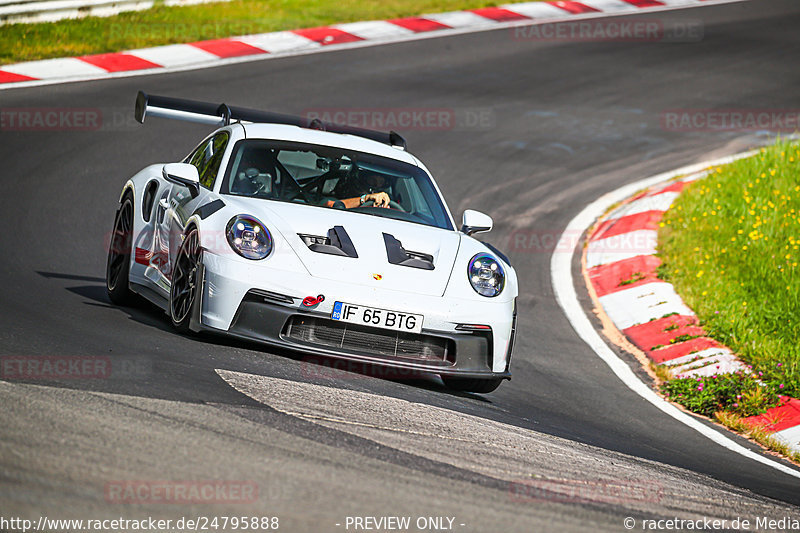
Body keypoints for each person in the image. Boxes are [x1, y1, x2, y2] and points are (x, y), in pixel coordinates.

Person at [327, 171, 392, 209]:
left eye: (380, 182)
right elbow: (329, 205)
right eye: (372, 181)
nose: (375, 185)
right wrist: (365, 199)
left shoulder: (379, 205)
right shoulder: (333, 199)